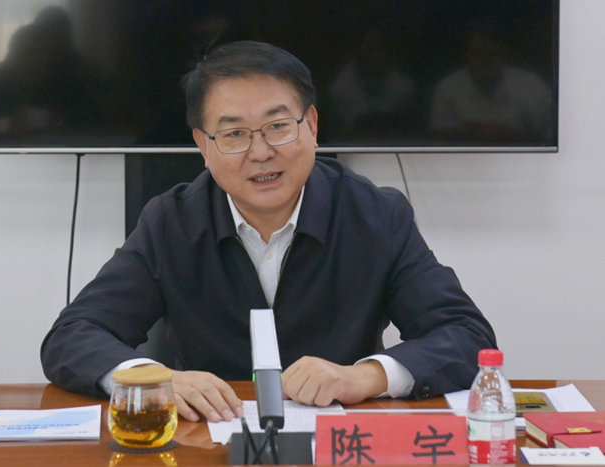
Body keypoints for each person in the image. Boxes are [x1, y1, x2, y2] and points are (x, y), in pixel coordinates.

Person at [41, 41, 497, 424]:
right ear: (203, 147)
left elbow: (466, 335)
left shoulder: (376, 215)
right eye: (234, 134)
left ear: (311, 126)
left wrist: (363, 377)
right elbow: (73, 335)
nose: (260, 152)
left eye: (278, 127)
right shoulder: (171, 222)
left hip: (338, 442)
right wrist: (157, 381)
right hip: (207, 441)